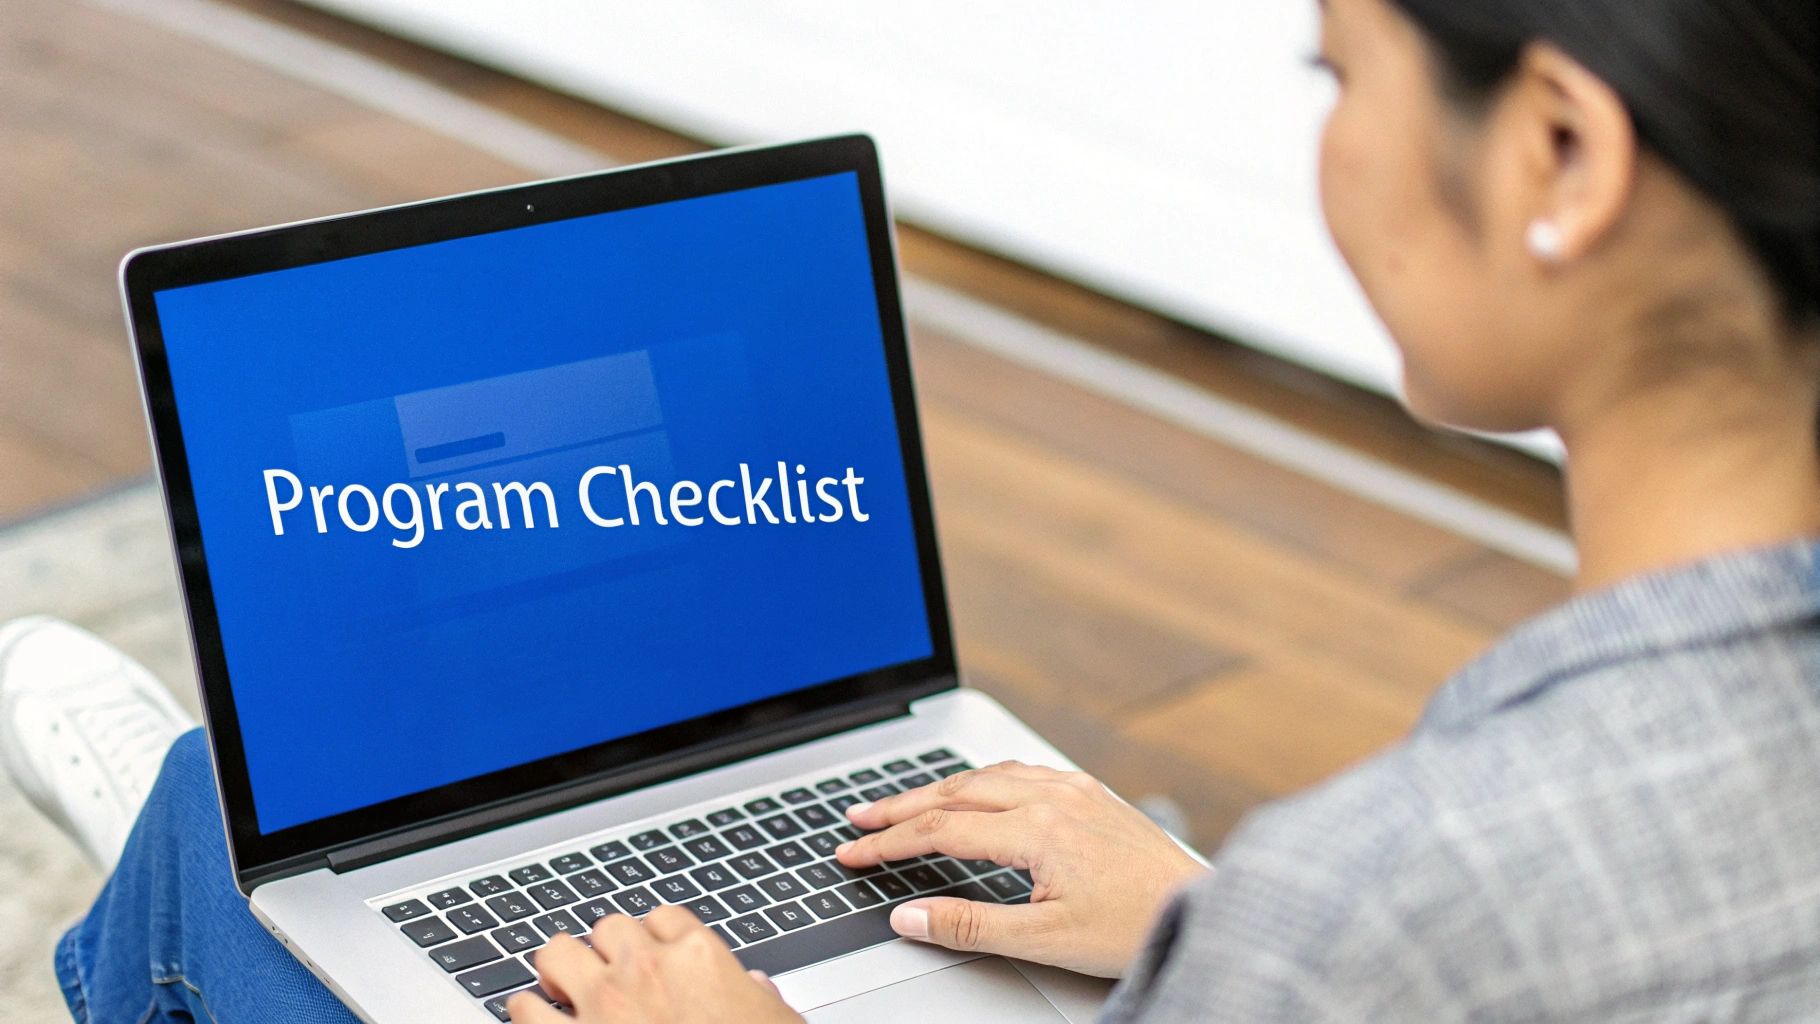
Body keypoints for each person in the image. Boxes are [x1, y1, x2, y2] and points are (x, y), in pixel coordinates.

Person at [5, 0, 1817, 1018]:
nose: (1330, 145)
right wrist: (1198, 918)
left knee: (216, 843)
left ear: (1561, 150)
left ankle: (164, 869)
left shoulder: (1373, 906)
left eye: (1340, 74)